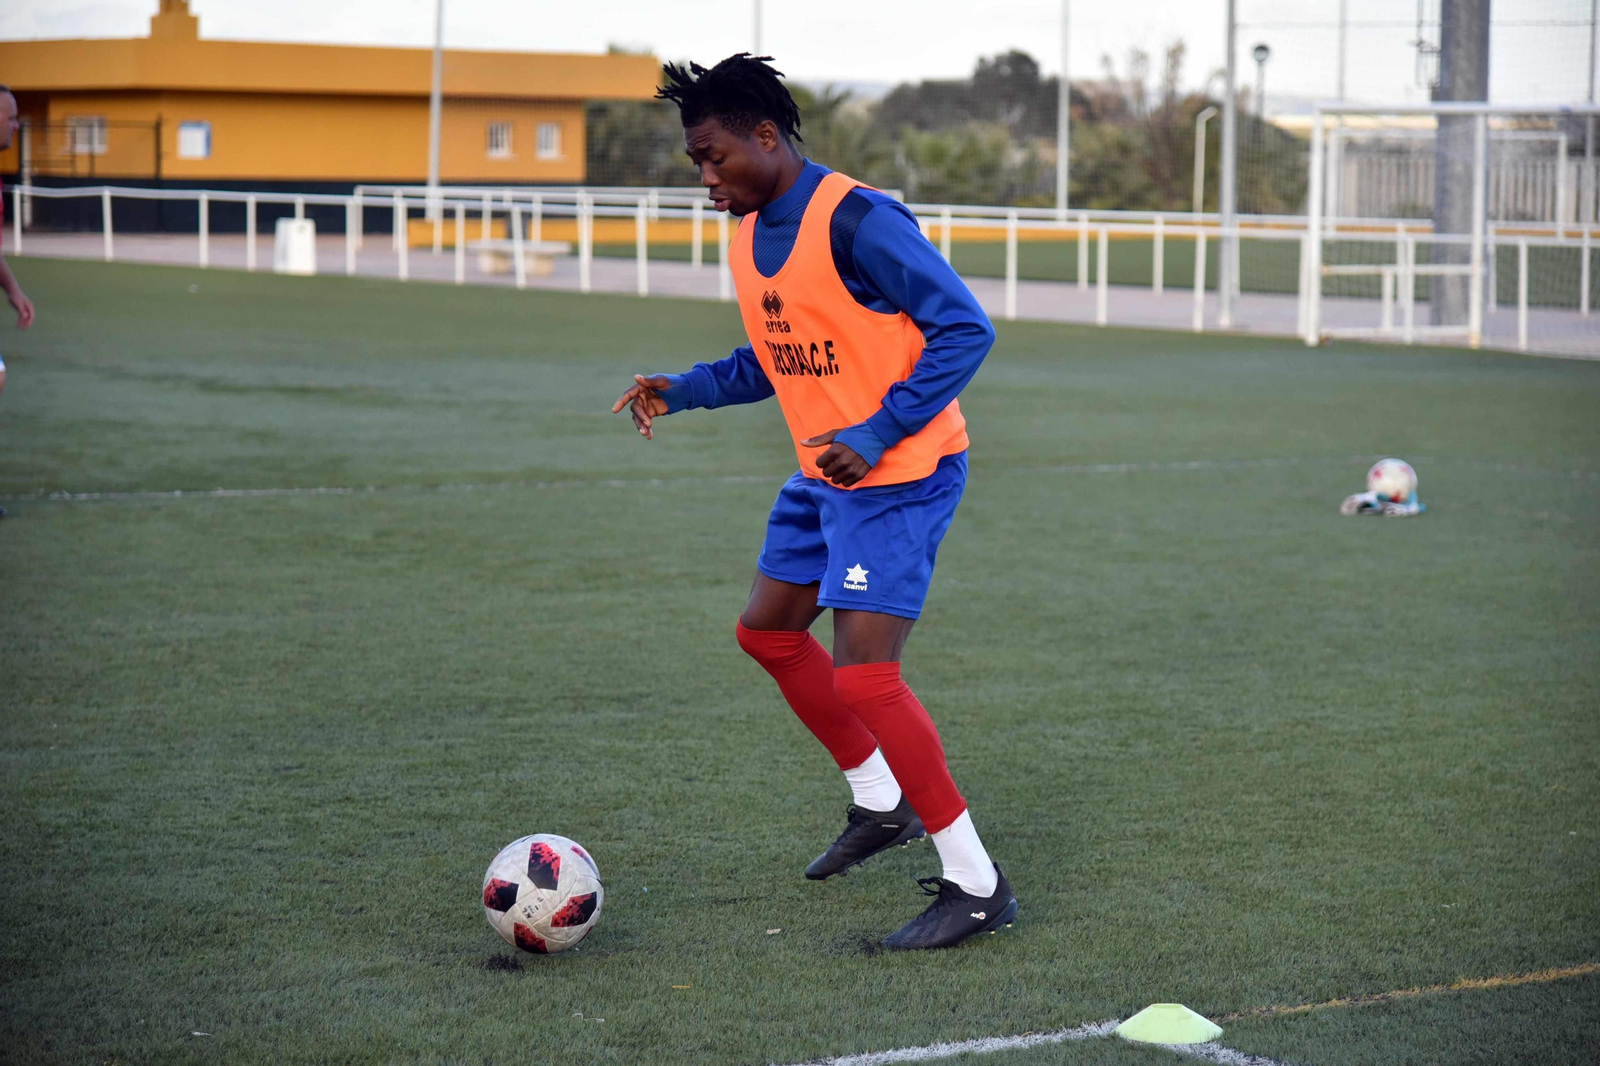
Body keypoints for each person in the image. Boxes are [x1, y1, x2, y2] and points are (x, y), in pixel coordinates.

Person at [611, 55, 1014, 950]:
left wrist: (877, 430)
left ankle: (978, 884)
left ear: (766, 136)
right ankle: (881, 802)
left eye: (714, 158)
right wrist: (685, 389)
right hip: (825, 476)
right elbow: (776, 358)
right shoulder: (749, 232)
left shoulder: (861, 220)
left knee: (867, 676)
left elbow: (964, 328)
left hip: (901, 475)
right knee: (768, 633)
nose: (706, 179)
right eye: (696, 163)